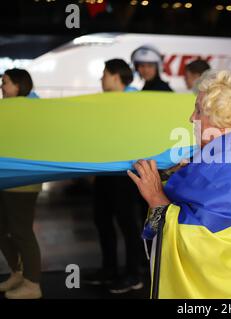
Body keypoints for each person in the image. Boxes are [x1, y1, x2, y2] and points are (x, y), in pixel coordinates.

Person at [127, 70, 231, 298]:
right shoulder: (230, 153)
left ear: (223, 118)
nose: (191, 118)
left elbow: (207, 237)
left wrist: (157, 197)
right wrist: (173, 176)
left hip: (230, 291)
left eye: (199, 110)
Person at [82, 59, 144, 294]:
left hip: (126, 174)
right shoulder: (107, 101)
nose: (101, 79)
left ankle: (133, 274)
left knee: (128, 224)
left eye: (104, 74)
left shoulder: (136, 101)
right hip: (106, 172)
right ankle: (109, 270)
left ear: (115, 75)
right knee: (102, 220)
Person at [0, 68, 42, 299]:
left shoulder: (33, 111)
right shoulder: (9, 109)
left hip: (23, 183)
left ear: (19, 86)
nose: (2, 87)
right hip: (7, 179)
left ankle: (32, 283)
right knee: (3, 230)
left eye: (5, 82)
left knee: (21, 232)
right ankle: (18, 272)